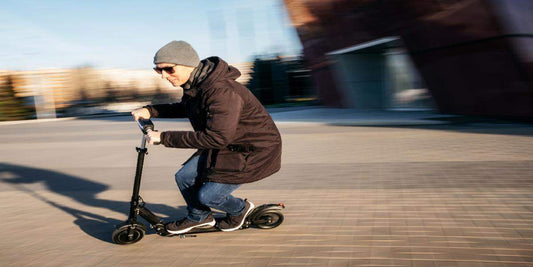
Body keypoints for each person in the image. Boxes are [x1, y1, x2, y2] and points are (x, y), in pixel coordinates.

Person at [131, 40, 282, 234]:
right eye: (158, 70)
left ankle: (240, 210)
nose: (163, 76)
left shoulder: (222, 92)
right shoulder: (198, 85)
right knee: (184, 177)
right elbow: (188, 108)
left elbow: (217, 137)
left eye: (168, 69)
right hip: (228, 145)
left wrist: (164, 138)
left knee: (208, 196)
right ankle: (199, 218)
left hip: (251, 151)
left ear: (188, 64)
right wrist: (151, 111)